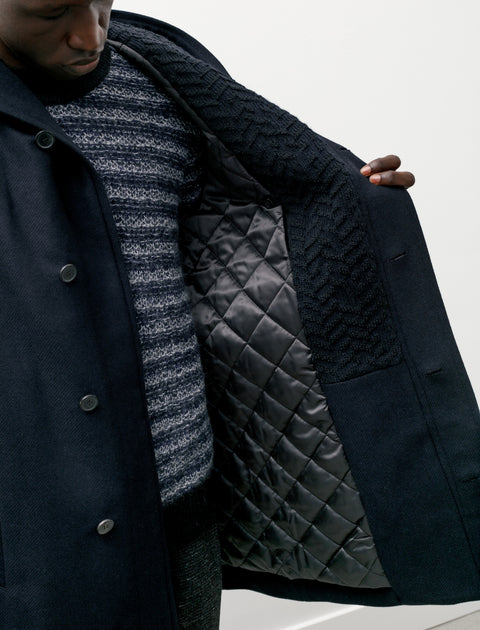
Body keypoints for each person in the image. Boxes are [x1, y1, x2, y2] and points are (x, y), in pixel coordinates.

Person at [0, 1, 478, 629]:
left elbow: (239, 230)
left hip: (185, 502)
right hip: (38, 534)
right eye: (50, 13)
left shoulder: (159, 76)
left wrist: (350, 201)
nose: (89, 34)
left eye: (99, 0)